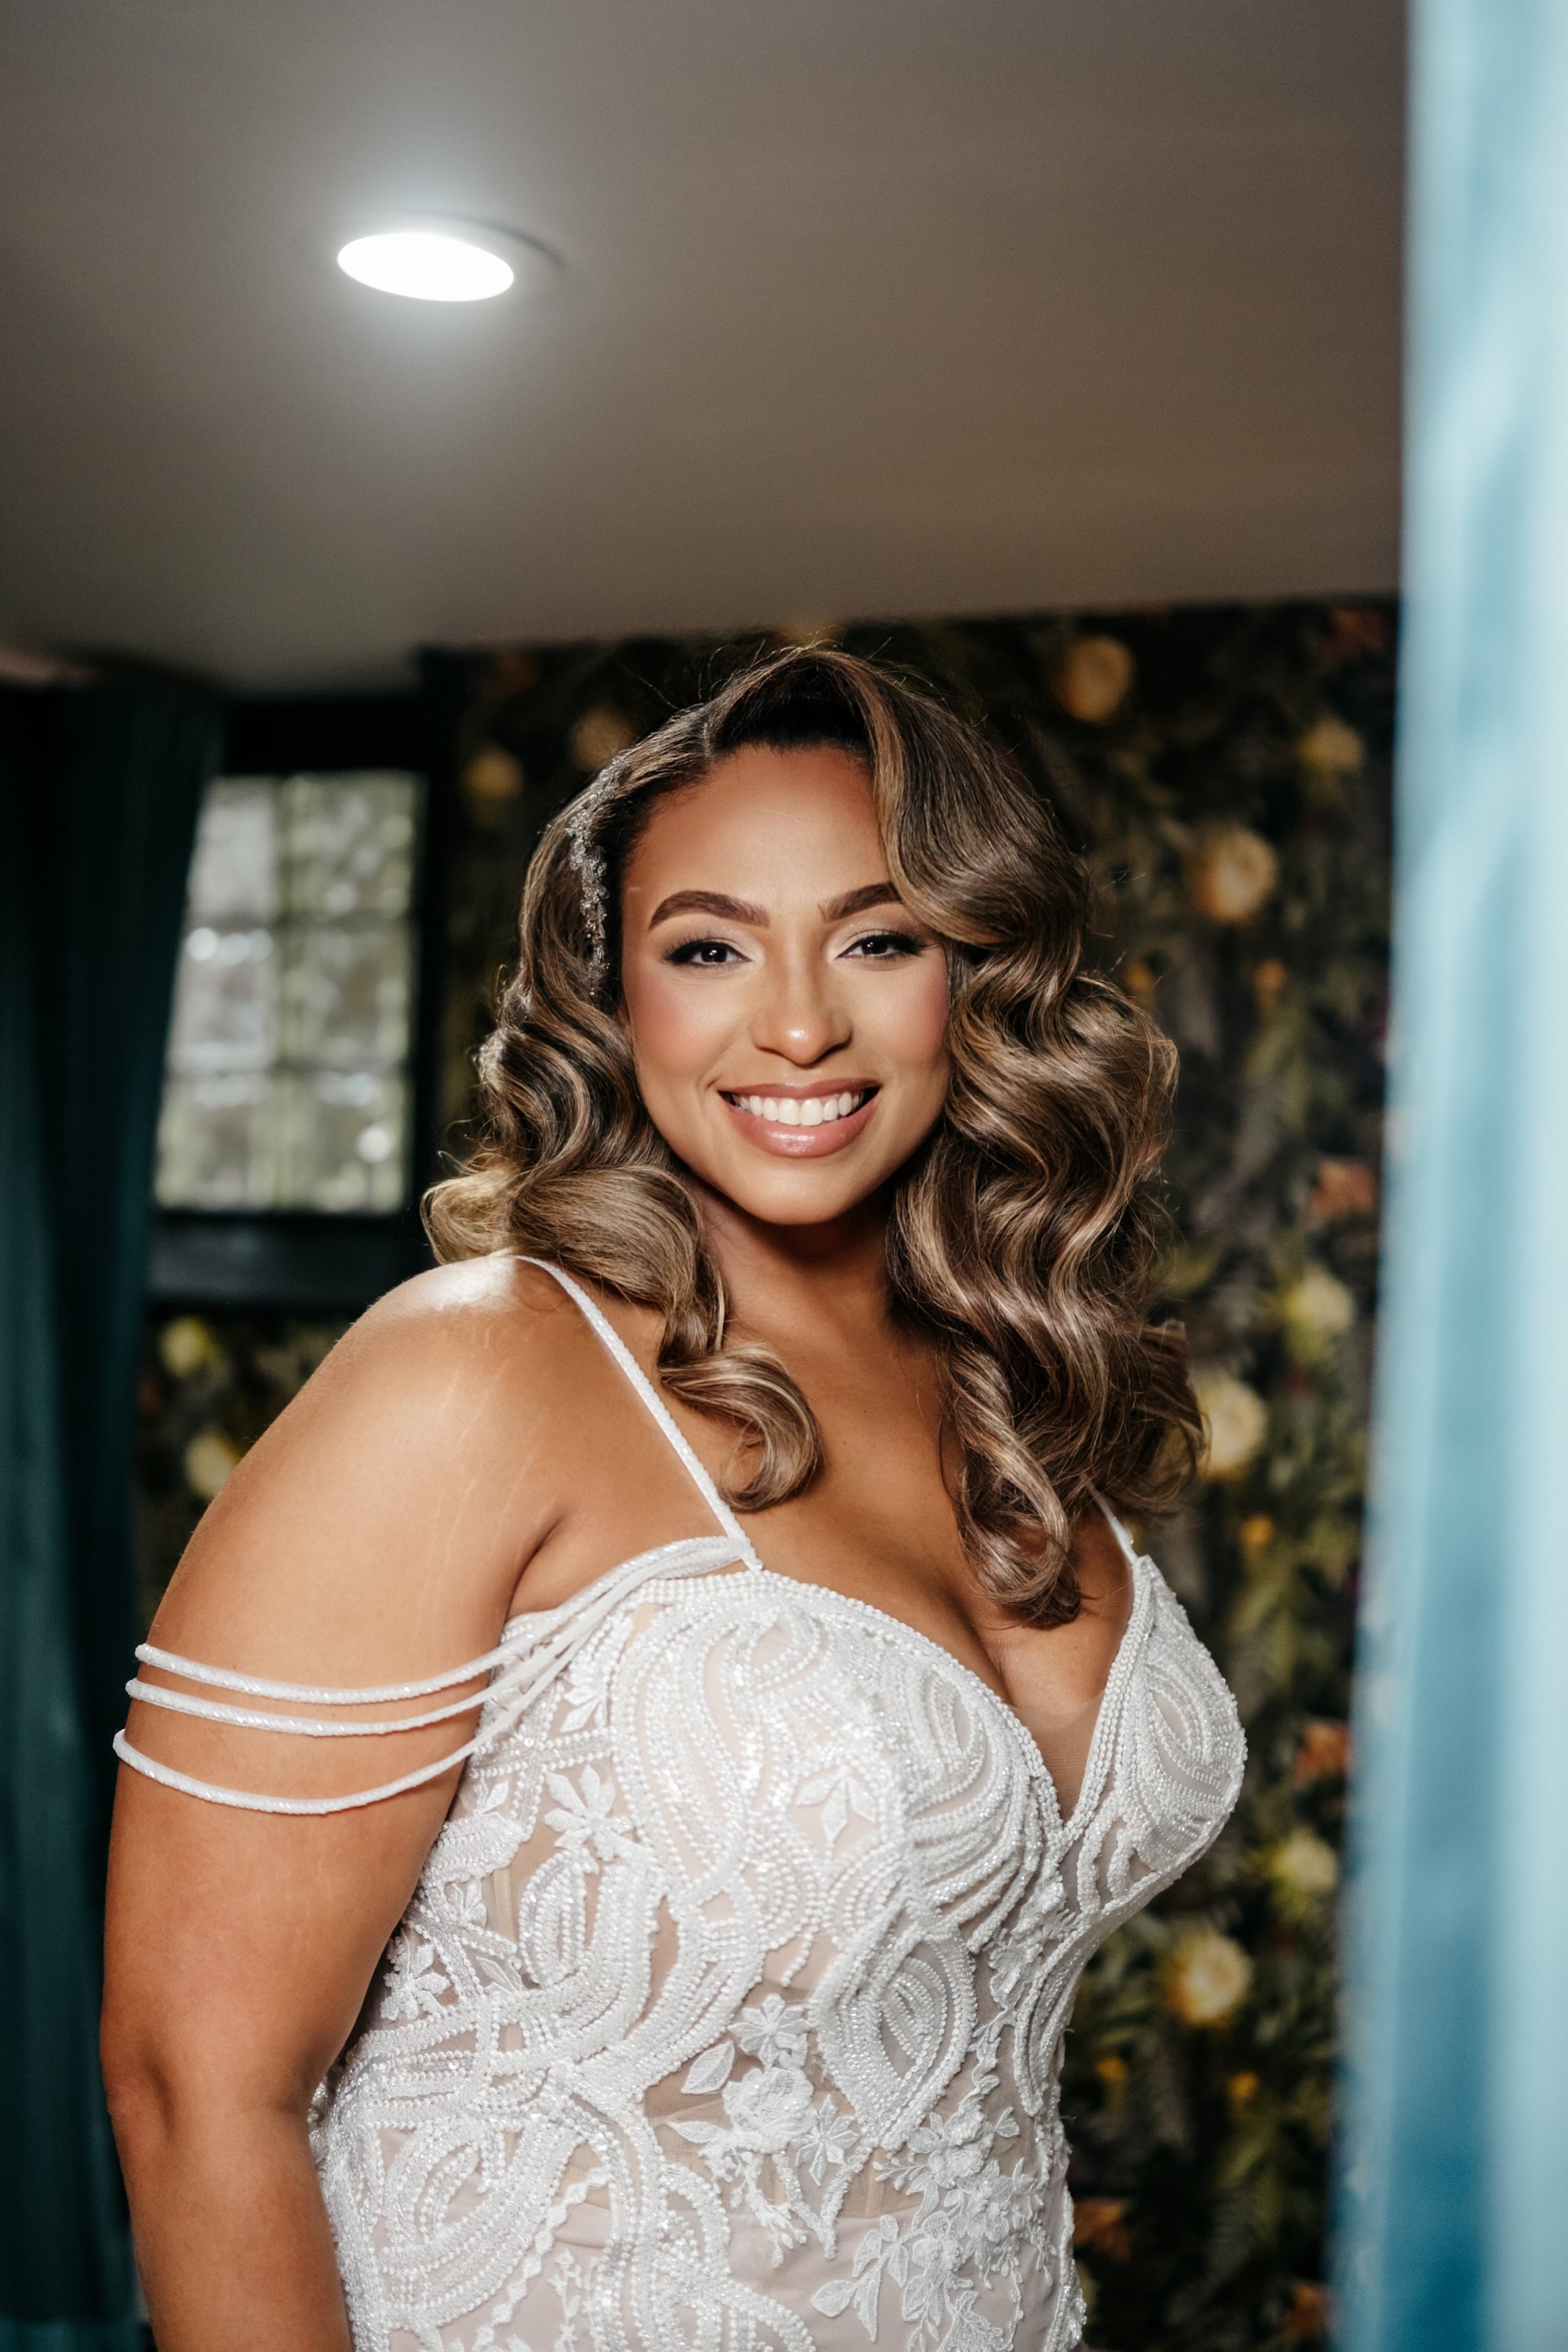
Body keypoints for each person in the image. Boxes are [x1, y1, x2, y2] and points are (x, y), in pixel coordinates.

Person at [102, 648, 1244, 2352]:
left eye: (877, 938)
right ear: (611, 997)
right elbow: (196, 2088)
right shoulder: (476, 1380)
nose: (796, 1022)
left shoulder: (1015, 1396)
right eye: (707, 947)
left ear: (974, 976)